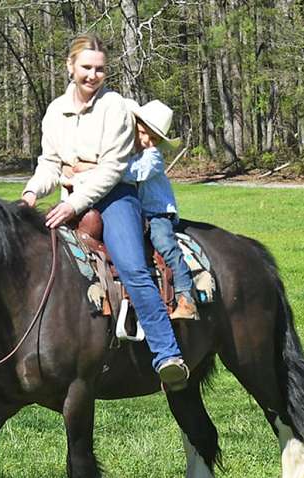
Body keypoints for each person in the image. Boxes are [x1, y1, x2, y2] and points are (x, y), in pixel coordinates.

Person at [21, 34, 189, 391]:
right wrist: (32, 192)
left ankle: (166, 353)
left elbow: (113, 169)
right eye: (86, 67)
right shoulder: (55, 112)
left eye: (100, 69)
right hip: (69, 194)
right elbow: (50, 163)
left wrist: (74, 199)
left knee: (131, 266)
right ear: (70, 66)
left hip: (115, 197)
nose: (93, 75)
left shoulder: (115, 107)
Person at [122, 99, 198, 320]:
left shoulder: (153, 156)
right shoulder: (126, 151)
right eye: (142, 132)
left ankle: (186, 295)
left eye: (153, 138)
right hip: (137, 211)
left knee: (164, 243)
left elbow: (135, 173)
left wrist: (102, 169)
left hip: (157, 211)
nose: (146, 140)